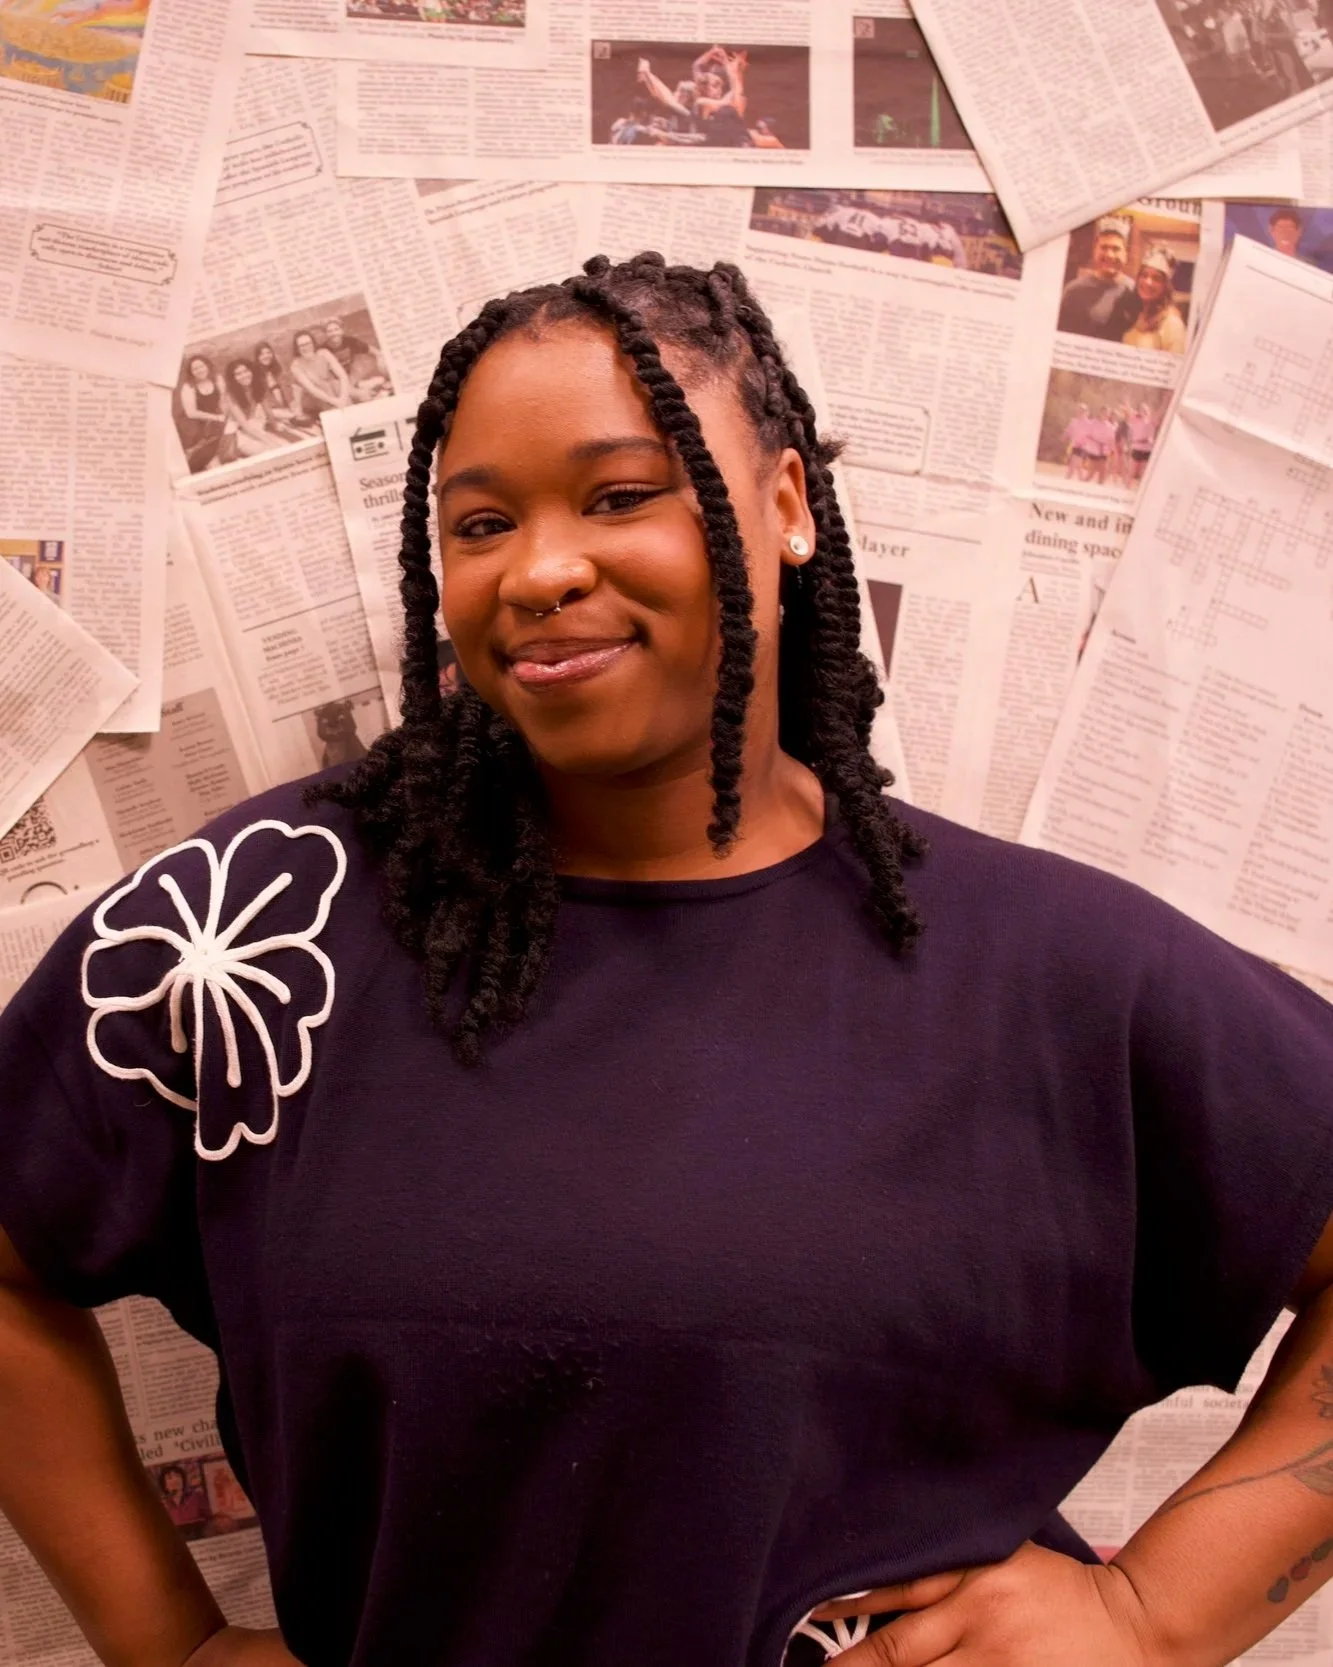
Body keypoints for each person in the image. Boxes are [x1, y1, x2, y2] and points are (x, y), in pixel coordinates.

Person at [4, 252, 1333, 1667]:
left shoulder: (1045, 972)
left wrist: (1152, 1611)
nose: (541, 567)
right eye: (480, 521)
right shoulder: (264, 920)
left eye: (620, 492)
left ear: (784, 506)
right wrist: (169, 1644)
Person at [1056, 214, 1140, 340]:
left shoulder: (1136, 292)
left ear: (1125, 254)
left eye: (1116, 249)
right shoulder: (1073, 291)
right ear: (1094, 250)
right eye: (1104, 247)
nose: (1110, 255)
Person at [219, 359, 292, 459]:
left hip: (254, 423)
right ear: (233, 378)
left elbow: (267, 409)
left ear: (251, 371)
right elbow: (245, 426)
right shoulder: (230, 394)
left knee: (284, 446)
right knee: (269, 452)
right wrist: (270, 441)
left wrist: (274, 424)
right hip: (239, 431)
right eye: (238, 374)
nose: (244, 375)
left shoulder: (257, 385)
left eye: (246, 371)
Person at [1122, 247, 1189, 354]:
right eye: (1144, 275)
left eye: (1156, 278)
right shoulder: (1136, 315)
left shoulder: (1172, 324)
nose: (1148, 282)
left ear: (1165, 287)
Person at [175, 355, 228, 473]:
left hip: (216, 423)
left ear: (207, 366)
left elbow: (223, 401)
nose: (199, 370)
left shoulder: (217, 379)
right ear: (191, 372)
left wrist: (224, 417)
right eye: (195, 369)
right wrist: (216, 418)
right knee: (209, 460)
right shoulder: (189, 386)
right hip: (196, 426)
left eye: (201, 366)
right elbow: (191, 413)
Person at [252, 341, 317, 433]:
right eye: (262, 354)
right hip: (269, 409)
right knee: (293, 416)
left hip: (283, 406)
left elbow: (287, 389)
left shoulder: (277, 370)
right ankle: (292, 417)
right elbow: (262, 400)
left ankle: (295, 416)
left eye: (268, 352)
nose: (266, 356)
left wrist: (293, 404)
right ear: (257, 357)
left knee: (297, 392)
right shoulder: (255, 375)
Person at [320, 317, 391, 402]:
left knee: (380, 380)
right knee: (364, 396)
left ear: (341, 330)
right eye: (330, 331)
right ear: (325, 334)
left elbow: (374, 351)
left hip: (352, 378)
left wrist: (380, 360)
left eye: (336, 329)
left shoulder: (350, 341)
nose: (334, 333)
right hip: (337, 383)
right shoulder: (323, 350)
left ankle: (366, 390)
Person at [288, 327, 352, 413]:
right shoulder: (296, 366)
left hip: (333, 390)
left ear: (313, 343)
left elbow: (343, 376)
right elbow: (312, 389)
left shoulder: (324, 353)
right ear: (297, 348)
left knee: (337, 385)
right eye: (302, 345)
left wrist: (343, 398)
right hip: (315, 397)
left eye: (308, 343)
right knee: (329, 392)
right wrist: (336, 402)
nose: (306, 347)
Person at [1127, 400, 1159, 482]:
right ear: (1139, 411)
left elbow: (1160, 412)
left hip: (1147, 449)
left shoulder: (1151, 421)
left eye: (1145, 410)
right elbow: (1129, 410)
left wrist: (1166, 401)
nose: (1143, 411)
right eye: (1141, 409)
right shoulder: (1135, 420)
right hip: (1137, 448)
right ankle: (1127, 487)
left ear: (1148, 411)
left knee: (1143, 473)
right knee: (1132, 472)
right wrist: (1127, 402)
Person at [1061, 400, 1091, 478]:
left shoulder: (1088, 423)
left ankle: (1067, 479)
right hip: (1074, 446)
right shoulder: (1074, 421)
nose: (1081, 412)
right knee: (1078, 466)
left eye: (1083, 411)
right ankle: (1083, 482)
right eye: (1079, 410)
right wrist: (1065, 436)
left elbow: (1092, 435)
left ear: (1086, 413)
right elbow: (1068, 430)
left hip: (1083, 447)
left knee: (1073, 464)